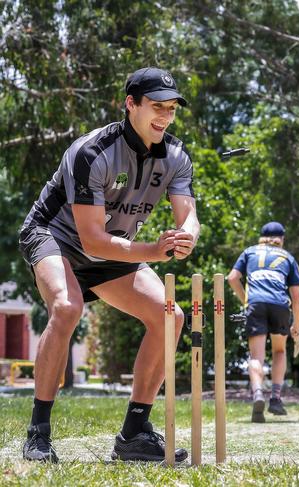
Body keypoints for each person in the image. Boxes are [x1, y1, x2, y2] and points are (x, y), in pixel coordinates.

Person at [18, 67, 199, 463]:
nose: (165, 117)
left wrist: (187, 236)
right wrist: (154, 249)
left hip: (114, 247)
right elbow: (92, 240)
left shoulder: (177, 155)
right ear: (130, 104)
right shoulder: (92, 152)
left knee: (170, 317)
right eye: (156, 107)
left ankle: (134, 434)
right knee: (67, 308)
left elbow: (188, 215)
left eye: (171, 109)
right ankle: (38, 433)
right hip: (57, 237)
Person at [227, 222, 299, 423]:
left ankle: (258, 393)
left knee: (256, 356)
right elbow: (297, 298)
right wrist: (297, 325)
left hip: (256, 304)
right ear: (282, 238)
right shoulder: (287, 257)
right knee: (279, 351)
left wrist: (245, 298)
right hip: (279, 305)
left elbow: (232, 278)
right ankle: (276, 398)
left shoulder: (249, 252)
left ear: (261, 237)